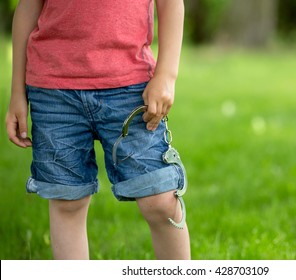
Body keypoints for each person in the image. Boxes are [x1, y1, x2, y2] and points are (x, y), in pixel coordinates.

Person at [5, 0, 190, 260]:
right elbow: (28, 7)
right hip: (53, 91)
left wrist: (167, 75)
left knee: (159, 198)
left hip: (130, 89)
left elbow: (171, 4)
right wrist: (17, 93)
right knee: (67, 201)